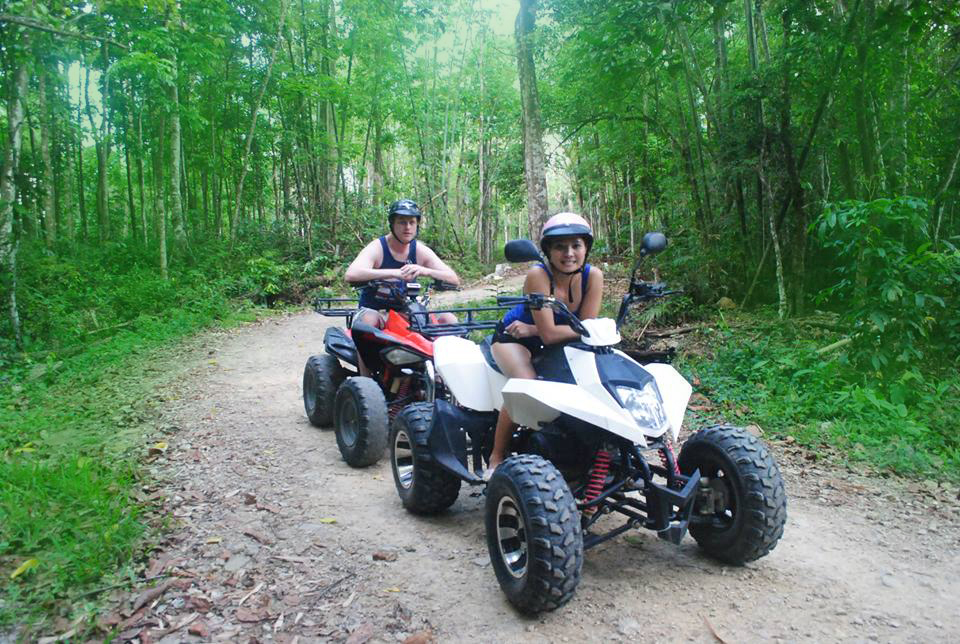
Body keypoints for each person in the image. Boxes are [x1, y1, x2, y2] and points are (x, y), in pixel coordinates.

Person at [485, 212, 604, 480]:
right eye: (560, 246)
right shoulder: (538, 275)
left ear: (586, 247)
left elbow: (587, 327)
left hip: (541, 335)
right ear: (548, 250)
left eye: (576, 245)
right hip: (514, 337)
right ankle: (497, 456)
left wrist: (539, 328)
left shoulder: (593, 276)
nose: (569, 253)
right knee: (525, 384)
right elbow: (570, 331)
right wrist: (539, 330)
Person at [344, 199, 460, 372]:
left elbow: (453, 279)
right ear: (392, 224)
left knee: (449, 319)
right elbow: (351, 274)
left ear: (417, 225)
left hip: (407, 311)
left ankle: (442, 376)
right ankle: (366, 379)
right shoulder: (378, 247)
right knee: (368, 321)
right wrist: (393, 272)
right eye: (402, 222)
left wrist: (425, 270)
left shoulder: (419, 250)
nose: (407, 227)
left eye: (412, 222)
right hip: (376, 311)